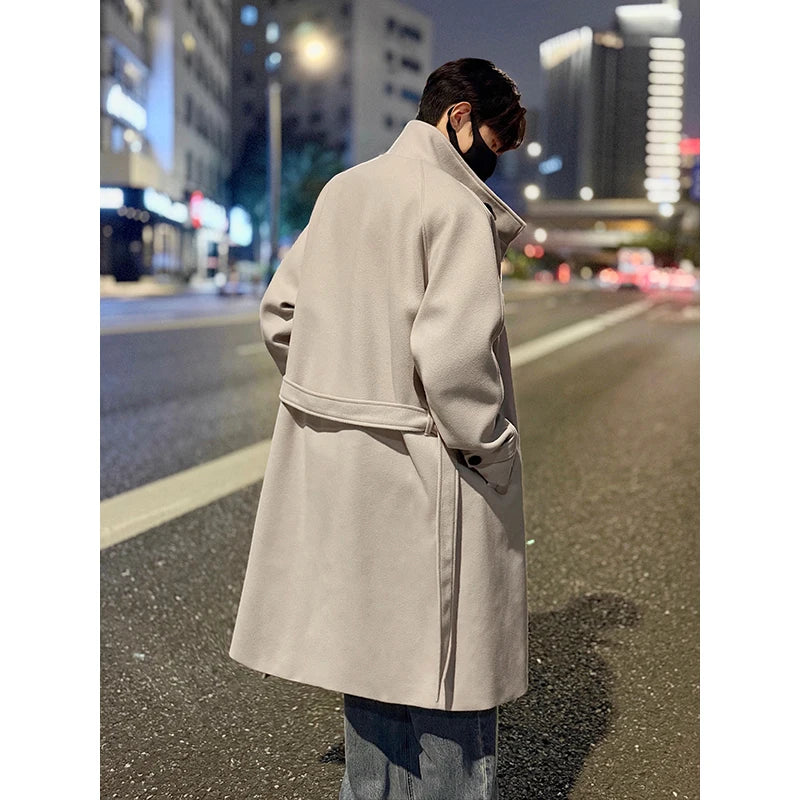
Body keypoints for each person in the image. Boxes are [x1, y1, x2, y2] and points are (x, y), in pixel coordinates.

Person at [229, 58, 529, 799]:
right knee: (449, 673)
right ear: (459, 118)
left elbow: (281, 315)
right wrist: (494, 451)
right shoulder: (455, 207)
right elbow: (455, 364)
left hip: (348, 465)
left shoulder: (345, 189)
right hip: (431, 467)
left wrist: (344, 387)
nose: (491, 167)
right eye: (492, 145)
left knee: (372, 654)